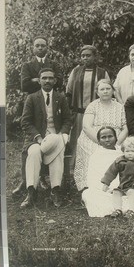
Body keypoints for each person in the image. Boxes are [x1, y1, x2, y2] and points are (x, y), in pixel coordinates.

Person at [13, 36, 62, 195]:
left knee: (49, 144)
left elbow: (59, 82)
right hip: (32, 104)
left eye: (43, 45)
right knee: (28, 146)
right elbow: (24, 84)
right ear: (33, 48)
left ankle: (43, 179)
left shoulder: (53, 64)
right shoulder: (27, 65)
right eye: (37, 46)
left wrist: (38, 80)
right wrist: (40, 82)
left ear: (47, 47)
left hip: (50, 103)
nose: (40, 48)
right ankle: (25, 180)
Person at [20, 68, 71, 208]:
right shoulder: (32, 98)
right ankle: (31, 191)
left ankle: (55, 190)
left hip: (56, 135)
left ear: (55, 81)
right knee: (35, 152)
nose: (47, 81)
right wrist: (37, 137)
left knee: (58, 151)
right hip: (36, 138)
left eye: (50, 78)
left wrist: (62, 134)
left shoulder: (60, 98)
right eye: (44, 78)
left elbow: (67, 119)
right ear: (39, 80)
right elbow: (25, 122)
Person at [82, 127, 134, 217]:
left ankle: (131, 209)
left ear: (116, 138)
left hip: (133, 186)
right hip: (116, 188)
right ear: (99, 140)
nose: (107, 140)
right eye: (103, 137)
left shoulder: (124, 153)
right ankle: (117, 209)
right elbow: (108, 174)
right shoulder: (95, 156)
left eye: (110, 136)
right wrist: (106, 185)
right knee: (88, 194)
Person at [74, 79, 128, 192]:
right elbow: (86, 127)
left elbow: (126, 127)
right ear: (97, 92)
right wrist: (101, 142)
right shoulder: (93, 106)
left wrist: (117, 143)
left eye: (108, 89)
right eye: (102, 89)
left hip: (115, 138)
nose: (105, 91)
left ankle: (116, 186)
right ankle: (92, 187)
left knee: (117, 152)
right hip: (94, 138)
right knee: (97, 152)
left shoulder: (120, 106)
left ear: (113, 91)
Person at [66, 45, 110, 170]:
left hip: (96, 113)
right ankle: (74, 168)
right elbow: (69, 91)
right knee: (77, 140)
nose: (85, 58)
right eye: (83, 56)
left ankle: (95, 168)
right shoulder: (76, 71)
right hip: (79, 113)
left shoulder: (102, 72)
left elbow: (107, 92)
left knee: (94, 140)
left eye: (88, 55)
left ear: (95, 57)